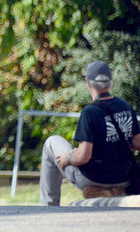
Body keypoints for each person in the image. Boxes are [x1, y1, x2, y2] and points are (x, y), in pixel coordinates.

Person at [39, 61, 140, 206]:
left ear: (88, 82)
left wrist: (68, 157)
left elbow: (83, 157)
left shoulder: (90, 112)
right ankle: (111, 191)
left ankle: (48, 206)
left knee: (51, 143)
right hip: (123, 178)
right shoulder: (125, 106)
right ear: (111, 81)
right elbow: (137, 143)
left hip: (92, 178)